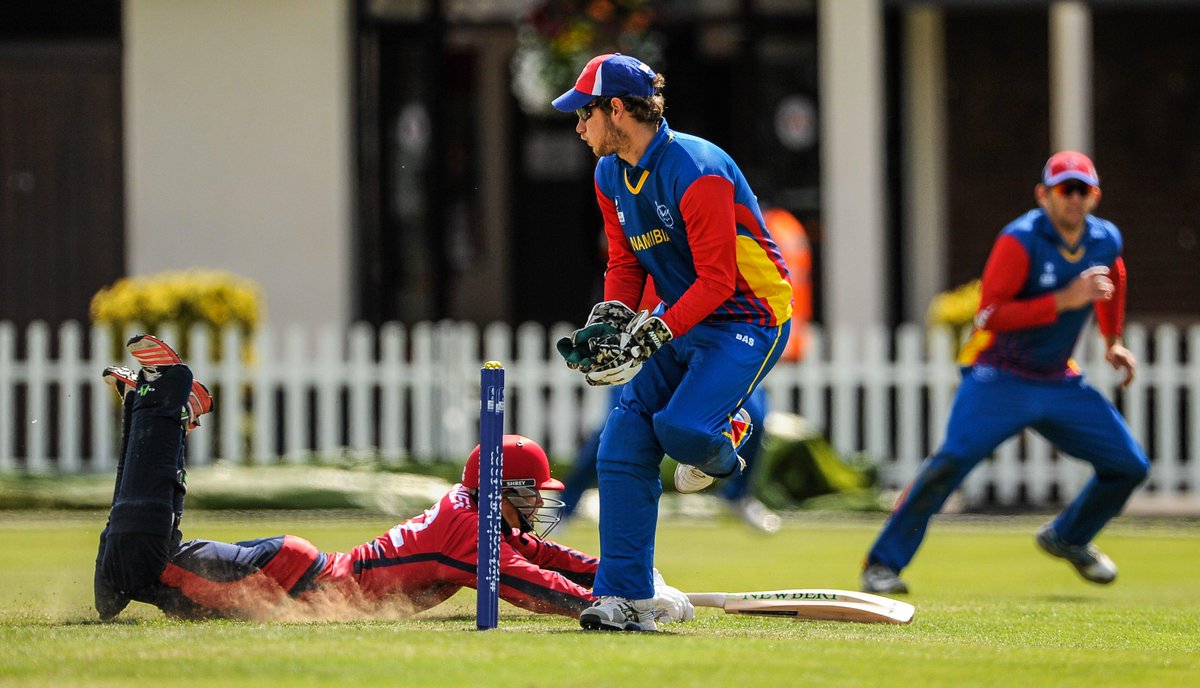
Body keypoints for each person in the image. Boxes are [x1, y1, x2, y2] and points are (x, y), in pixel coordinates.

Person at [94, 334, 693, 628]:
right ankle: (166, 396)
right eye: (532, 494)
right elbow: (526, 582)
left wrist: (631, 580)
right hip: (293, 583)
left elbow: (546, 555)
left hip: (297, 572)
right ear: (504, 491)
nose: (538, 506)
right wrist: (610, 609)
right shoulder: (468, 529)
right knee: (143, 563)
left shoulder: (476, 515)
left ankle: (159, 409)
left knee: (135, 565)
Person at [551, 54, 793, 630]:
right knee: (623, 442)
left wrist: (651, 332)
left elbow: (717, 280)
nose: (578, 126)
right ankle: (625, 596)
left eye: (584, 112)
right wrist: (612, 320)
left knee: (683, 432)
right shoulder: (610, 172)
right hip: (682, 311)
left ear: (617, 110)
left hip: (749, 315)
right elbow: (624, 262)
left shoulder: (698, 168)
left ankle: (724, 434)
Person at [860, 151, 1150, 594]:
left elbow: (1113, 277)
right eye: (1063, 189)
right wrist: (1062, 301)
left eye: (1082, 190)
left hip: (1056, 377)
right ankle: (881, 564)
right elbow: (988, 315)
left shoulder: (1104, 237)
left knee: (1128, 465)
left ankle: (1069, 536)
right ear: (1043, 195)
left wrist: (1112, 341)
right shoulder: (1019, 240)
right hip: (998, 374)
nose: (1073, 199)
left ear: (1095, 196)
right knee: (951, 461)